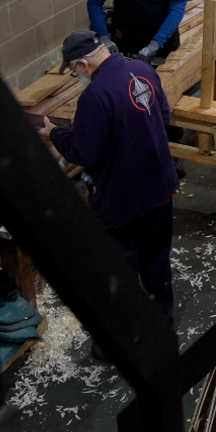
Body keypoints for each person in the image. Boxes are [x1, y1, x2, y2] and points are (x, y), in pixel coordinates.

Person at [41, 30, 180, 325]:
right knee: (156, 262)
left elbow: (85, 154)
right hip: (160, 187)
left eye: (74, 72)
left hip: (123, 200)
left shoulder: (96, 94)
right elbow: (164, 117)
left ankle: (128, 335)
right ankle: (163, 323)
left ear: (82, 65)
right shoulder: (143, 69)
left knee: (121, 268)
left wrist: (54, 133)